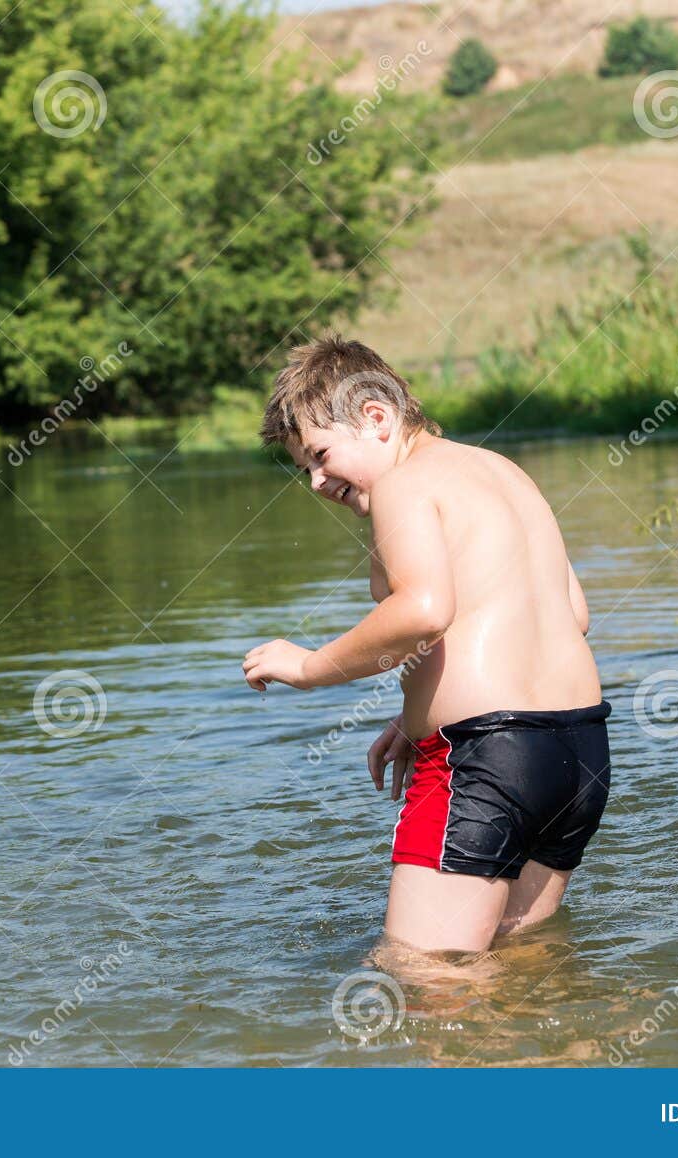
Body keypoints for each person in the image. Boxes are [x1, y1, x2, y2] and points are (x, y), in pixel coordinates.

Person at [241, 333, 611, 954]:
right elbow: (572, 614)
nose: (316, 481)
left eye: (322, 455)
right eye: (306, 467)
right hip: (578, 752)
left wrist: (308, 666)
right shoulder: (502, 472)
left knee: (425, 978)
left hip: (485, 758)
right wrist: (419, 712)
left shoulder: (403, 483)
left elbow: (425, 608)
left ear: (376, 417)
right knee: (523, 964)